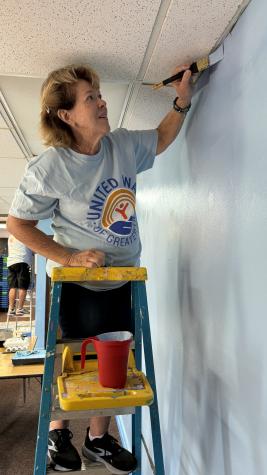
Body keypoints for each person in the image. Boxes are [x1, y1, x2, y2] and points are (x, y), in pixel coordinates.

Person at [7, 62, 192, 473]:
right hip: (78, 283)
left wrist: (182, 101)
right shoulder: (51, 167)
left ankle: (98, 439)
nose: (102, 101)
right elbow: (19, 224)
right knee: (74, 362)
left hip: (124, 281)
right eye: (91, 98)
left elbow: (161, 139)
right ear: (66, 115)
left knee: (113, 365)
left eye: (99, 94)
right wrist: (70, 257)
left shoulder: (122, 145)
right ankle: (59, 434)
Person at [7, 234, 33, 317]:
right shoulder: (23, 232)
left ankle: (11, 309)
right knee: (23, 287)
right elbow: (33, 248)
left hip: (11, 262)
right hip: (22, 261)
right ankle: (20, 309)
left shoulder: (11, 236)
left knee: (13, 287)